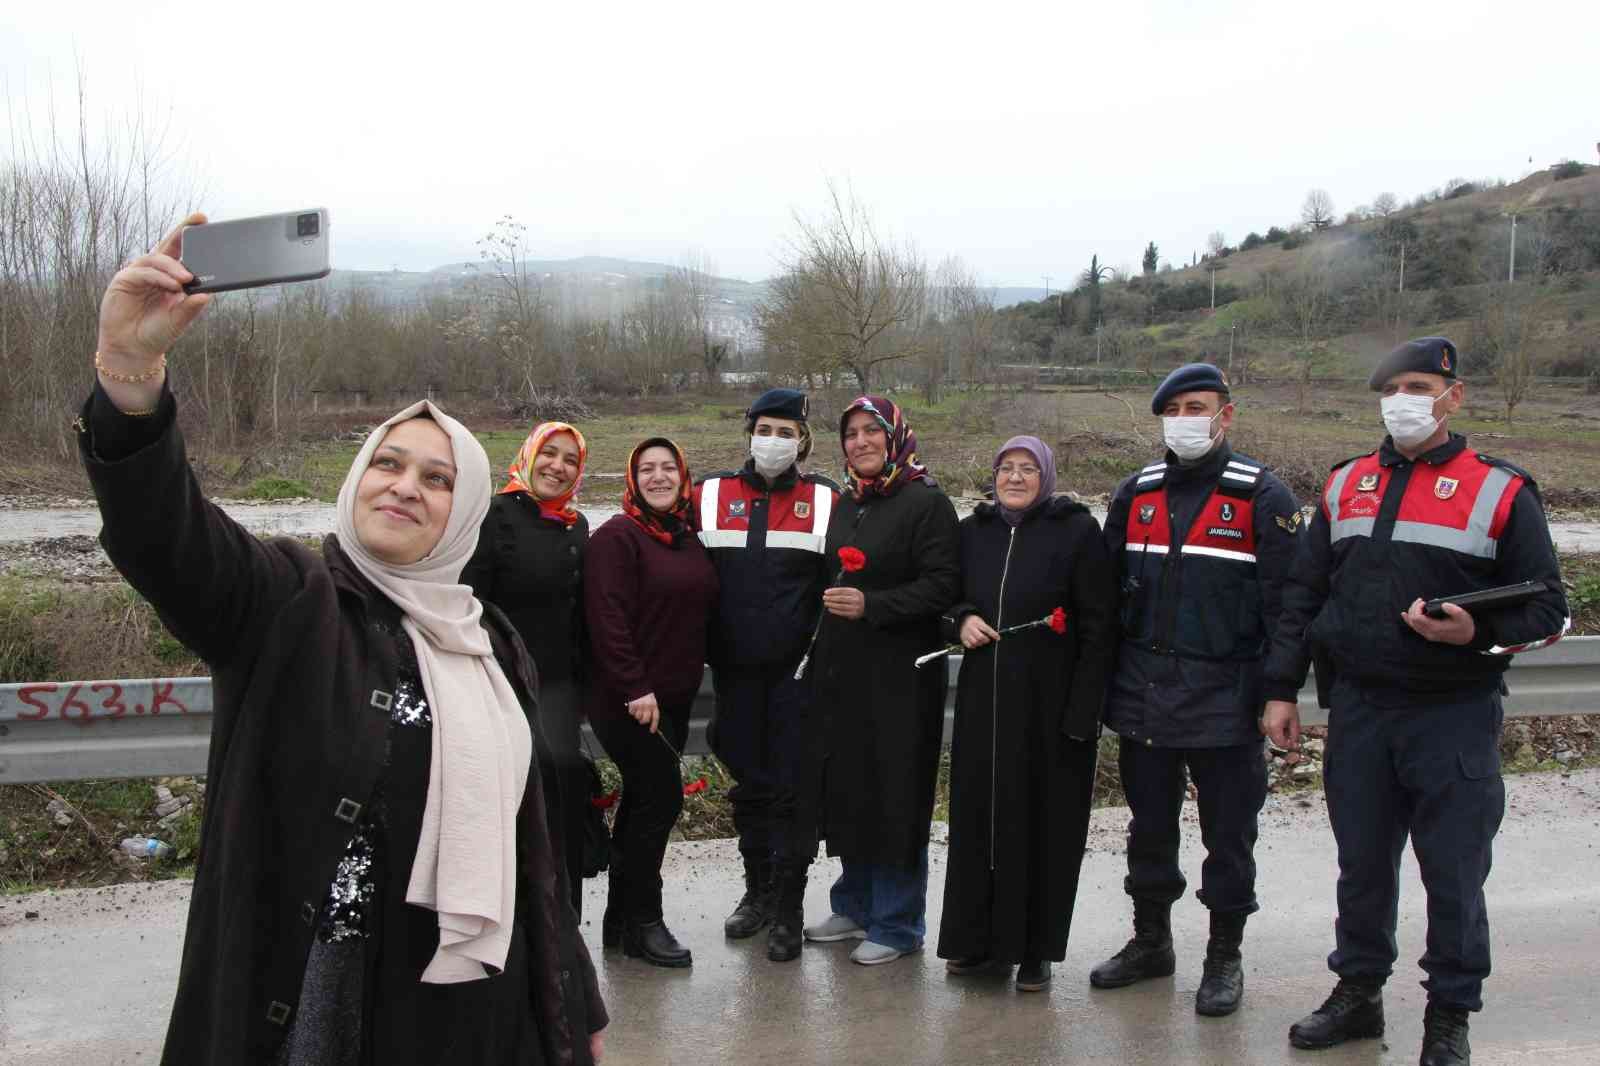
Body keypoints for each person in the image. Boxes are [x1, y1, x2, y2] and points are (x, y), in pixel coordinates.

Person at [79, 214, 606, 1065]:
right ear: (358, 477)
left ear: (464, 509)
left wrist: (575, 1016)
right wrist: (131, 374)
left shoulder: (492, 644)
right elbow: (163, 535)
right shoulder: (287, 600)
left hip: (463, 1009)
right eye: (388, 464)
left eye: (438, 479)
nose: (406, 488)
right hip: (314, 997)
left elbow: (529, 851)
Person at [1260, 337, 1569, 1065]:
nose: (1403, 400)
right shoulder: (1344, 484)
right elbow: (1303, 595)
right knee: (1362, 867)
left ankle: (1449, 1014)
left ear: (1452, 397)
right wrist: (1280, 689)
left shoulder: (1499, 489)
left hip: (1451, 716)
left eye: (1419, 386)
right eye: (1392, 387)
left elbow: (1550, 610)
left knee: (1453, 874)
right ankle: (1358, 994)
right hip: (1361, 710)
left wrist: (1475, 631)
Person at [1091, 363, 1301, 1017]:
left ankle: (1224, 956)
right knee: (1149, 831)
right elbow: (1102, 597)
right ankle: (1151, 942)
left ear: (1225, 415)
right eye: (1174, 408)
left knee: (1228, 839)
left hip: (1227, 700)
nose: (1185, 418)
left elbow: (1290, 608)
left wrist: (1280, 692)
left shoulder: (1262, 496)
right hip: (1145, 694)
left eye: (1198, 406)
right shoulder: (1137, 493)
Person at [936, 436, 1118, 992]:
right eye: (1005, 468)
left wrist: (1083, 712)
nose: (1014, 478)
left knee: (1044, 829)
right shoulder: (974, 532)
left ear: (1047, 475)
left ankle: (1036, 950)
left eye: (1026, 469)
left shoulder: (1077, 532)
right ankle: (976, 943)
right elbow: (946, 596)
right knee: (980, 823)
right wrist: (961, 618)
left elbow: (1099, 626)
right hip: (984, 704)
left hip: (1051, 708)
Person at [801, 395, 961, 966]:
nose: (861, 442)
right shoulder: (849, 501)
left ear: (894, 436)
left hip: (901, 679)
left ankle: (897, 923)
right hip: (846, 676)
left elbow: (943, 587)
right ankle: (856, 903)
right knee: (851, 789)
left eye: (872, 431)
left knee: (895, 795)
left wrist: (873, 604)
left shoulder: (926, 503)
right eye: (851, 433)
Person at [693, 388, 839, 962]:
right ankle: (755, 892)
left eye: (786, 432)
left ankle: (788, 904)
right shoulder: (708, 493)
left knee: (791, 792)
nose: (774, 441)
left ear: (802, 440)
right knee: (749, 786)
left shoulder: (826, 499)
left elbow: (842, 587)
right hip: (733, 677)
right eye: (765, 429)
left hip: (796, 679)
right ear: (748, 431)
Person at [585, 437, 719, 968]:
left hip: (676, 699)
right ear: (633, 478)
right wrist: (635, 687)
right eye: (647, 469)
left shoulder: (685, 538)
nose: (659, 477)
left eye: (668, 468)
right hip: (630, 700)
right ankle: (645, 921)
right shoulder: (618, 537)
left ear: (682, 477)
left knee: (644, 806)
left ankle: (619, 921)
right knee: (660, 801)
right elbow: (606, 618)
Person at [463, 421, 592, 917]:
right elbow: (468, 601)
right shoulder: (493, 516)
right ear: (529, 455)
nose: (557, 467)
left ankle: (562, 918)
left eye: (570, 460)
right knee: (509, 804)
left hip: (559, 689)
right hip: (501, 685)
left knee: (561, 794)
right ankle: (507, 920)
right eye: (550, 454)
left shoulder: (575, 525)